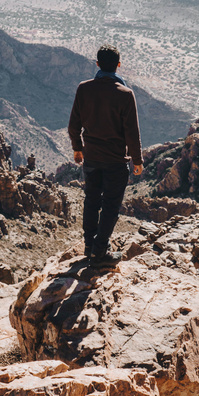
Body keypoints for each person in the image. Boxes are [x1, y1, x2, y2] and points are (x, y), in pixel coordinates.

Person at [68, 44, 144, 266]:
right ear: (118, 65)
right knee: (110, 205)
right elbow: (132, 132)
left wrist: (77, 148)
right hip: (115, 161)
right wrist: (137, 161)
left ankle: (89, 246)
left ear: (97, 64)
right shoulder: (126, 94)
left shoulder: (84, 88)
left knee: (91, 201)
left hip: (91, 157)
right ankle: (100, 252)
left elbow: (74, 125)